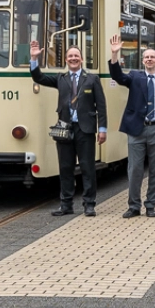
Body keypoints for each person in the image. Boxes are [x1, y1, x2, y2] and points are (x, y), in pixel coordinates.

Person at [30, 40, 108, 217]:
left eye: (76, 56)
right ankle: (66, 204)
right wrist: (34, 59)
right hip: (65, 129)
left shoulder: (92, 79)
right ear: (66, 59)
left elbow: (101, 106)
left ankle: (89, 204)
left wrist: (102, 129)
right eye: (70, 56)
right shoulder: (61, 78)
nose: (73, 58)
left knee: (88, 167)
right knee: (65, 167)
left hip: (85, 129)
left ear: (81, 59)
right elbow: (39, 78)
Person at [108, 34, 155, 219]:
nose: (149, 59)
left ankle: (151, 205)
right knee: (134, 169)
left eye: (152, 57)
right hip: (136, 130)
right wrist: (115, 55)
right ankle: (134, 206)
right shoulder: (135, 77)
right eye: (146, 57)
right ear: (142, 61)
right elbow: (117, 76)